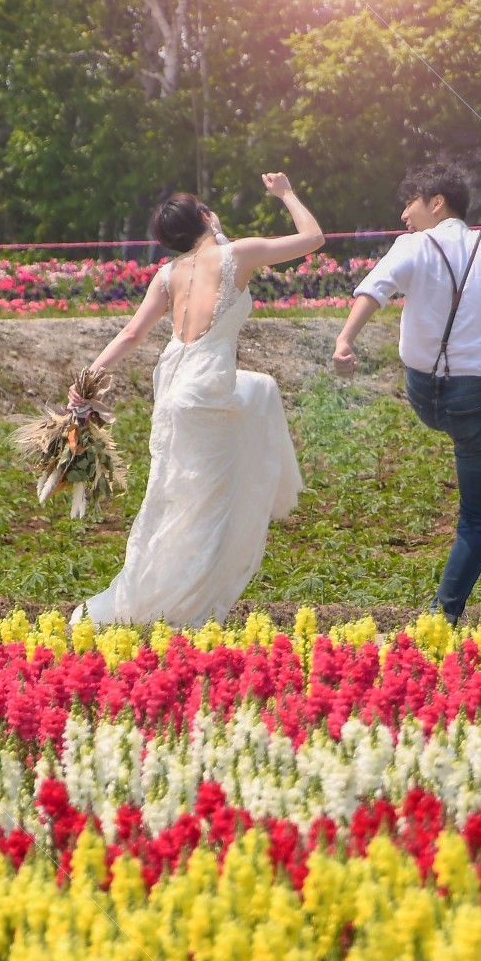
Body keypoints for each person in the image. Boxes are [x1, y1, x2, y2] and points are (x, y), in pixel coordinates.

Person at [331, 143, 481, 623]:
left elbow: (373, 291)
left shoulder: (412, 247)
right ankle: (443, 618)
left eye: (410, 202)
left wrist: (344, 340)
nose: (403, 214)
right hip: (475, 404)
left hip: (423, 394)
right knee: (480, 517)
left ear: (436, 202)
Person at [72, 173, 321, 626]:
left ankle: (153, 592)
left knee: (171, 498)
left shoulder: (168, 274)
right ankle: (187, 608)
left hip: (172, 388)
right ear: (206, 217)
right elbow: (313, 238)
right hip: (209, 388)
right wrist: (286, 193)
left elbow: (131, 333)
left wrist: (88, 377)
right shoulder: (237, 254)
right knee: (212, 505)